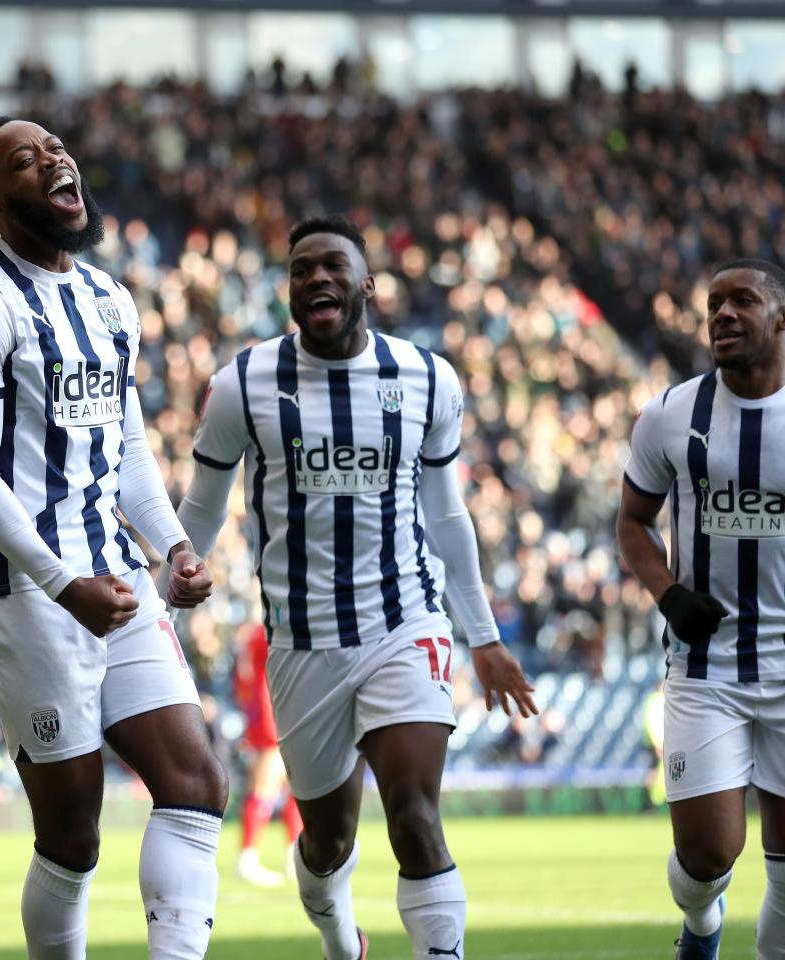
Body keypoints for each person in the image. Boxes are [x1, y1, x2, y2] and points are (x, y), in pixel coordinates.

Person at [171, 215, 536, 960]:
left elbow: (445, 511)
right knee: (327, 843)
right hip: (303, 646)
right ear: (290, 290)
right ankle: (344, 940)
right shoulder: (242, 383)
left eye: (333, 264)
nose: (316, 278)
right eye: (301, 269)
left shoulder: (428, 378)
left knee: (414, 814)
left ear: (367, 283)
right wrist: (178, 569)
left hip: (405, 624)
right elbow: (205, 503)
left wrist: (484, 637)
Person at [0, 116, 228, 960]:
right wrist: (65, 585)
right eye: (25, 159)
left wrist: (173, 548)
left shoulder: (107, 297)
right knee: (73, 833)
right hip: (27, 597)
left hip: (117, 583)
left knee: (196, 782)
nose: (54, 159)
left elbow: (125, 447)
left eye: (56, 148)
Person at [617, 258, 785, 960]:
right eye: (714, 303)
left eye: (742, 301)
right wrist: (669, 593)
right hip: (706, 664)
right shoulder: (670, 414)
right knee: (710, 855)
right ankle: (701, 924)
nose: (722, 314)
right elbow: (632, 522)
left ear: (780, 318)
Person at [231, 620, 302, 887]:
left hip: (267, 712)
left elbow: (242, 680)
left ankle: (294, 854)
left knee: (292, 786)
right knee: (265, 788)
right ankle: (247, 857)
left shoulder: (254, 633)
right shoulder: (270, 629)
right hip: (272, 713)